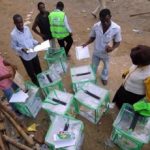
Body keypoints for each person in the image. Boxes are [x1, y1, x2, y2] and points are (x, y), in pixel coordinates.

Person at [82, 9, 121, 85]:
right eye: (103, 21)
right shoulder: (96, 26)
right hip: (96, 51)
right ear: (100, 19)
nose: (105, 23)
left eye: (107, 20)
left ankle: (104, 78)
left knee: (106, 67)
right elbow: (93, 37)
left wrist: (112, 48)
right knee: (93, 65)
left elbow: (118, 42)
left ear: (110, 17)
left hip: (107, 53)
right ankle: (92, 76)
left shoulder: (116, 28)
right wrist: (86, 43)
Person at [11, 14, 42, 85]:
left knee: (38, 70)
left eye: (21, 22)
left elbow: (31, 39)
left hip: (34, 53)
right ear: (15, 23)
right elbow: (13, 47)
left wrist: (37, 42)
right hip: (26, 57)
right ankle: (36, 83)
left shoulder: (27, 28)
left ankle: (41, 81)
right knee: (31, 72)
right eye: (18, 23)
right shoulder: (13, 34)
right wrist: (21, 49)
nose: (21, 24)